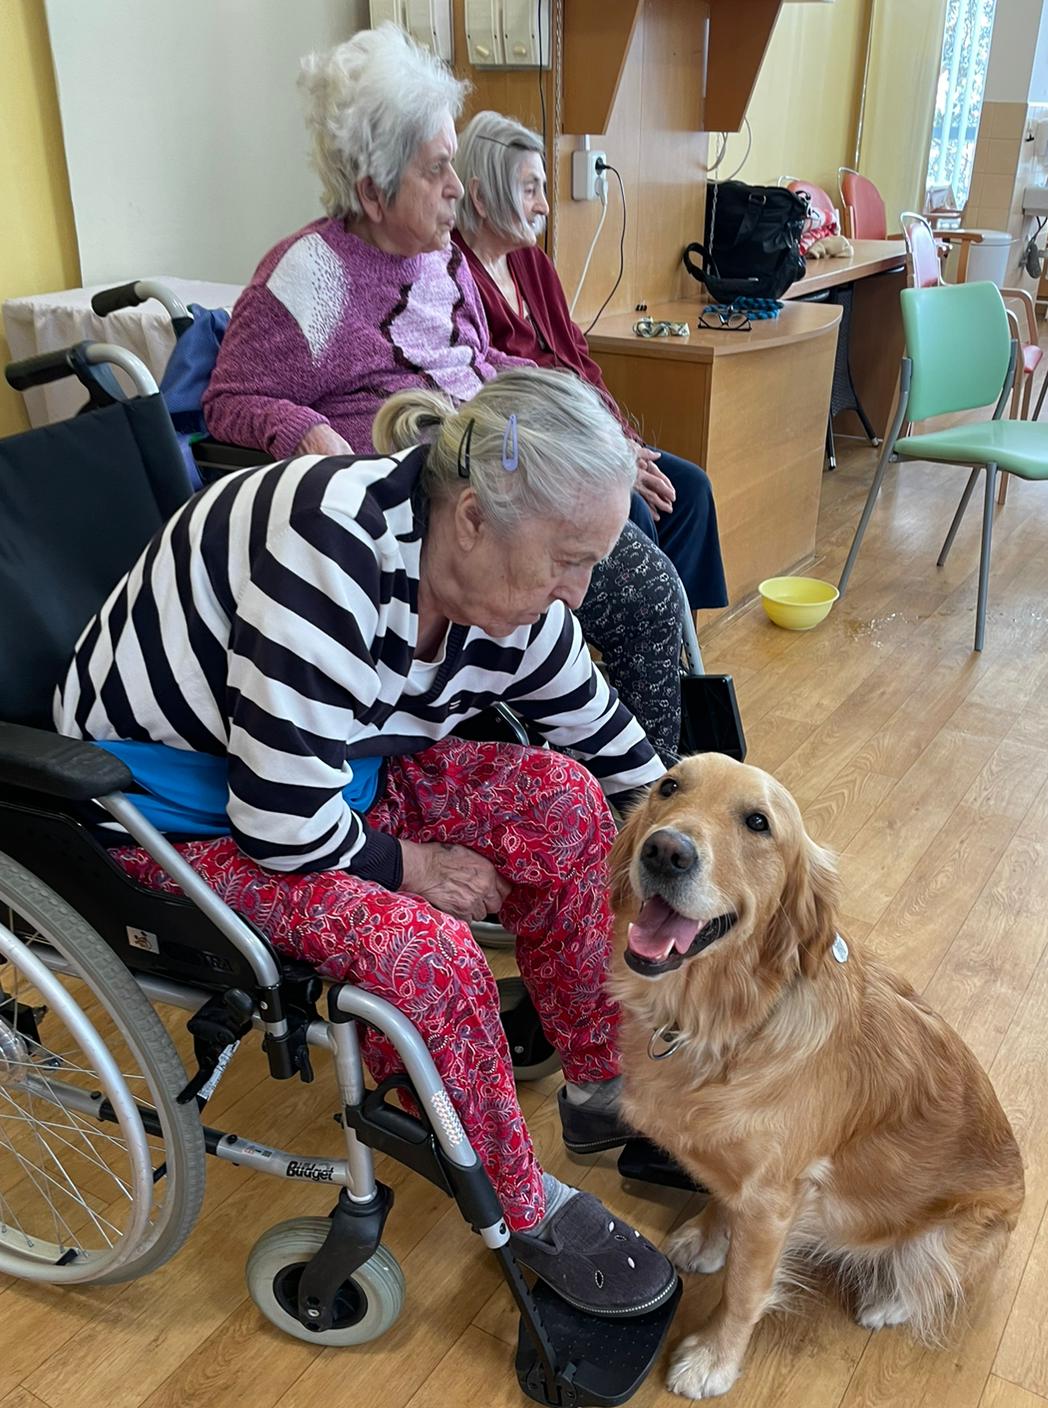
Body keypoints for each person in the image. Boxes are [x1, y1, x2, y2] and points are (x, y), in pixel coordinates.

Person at [55, 368, 675, 1319]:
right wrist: (412, 869)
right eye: (567, 560)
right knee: (427, 951)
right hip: (166, 811)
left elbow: (609, 742)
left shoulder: (511, 598)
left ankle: (601, 1086)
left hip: (329, 773)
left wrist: (710, 848)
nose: (577, 594)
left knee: (567, 808)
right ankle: (517, 1207)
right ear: (473, 518)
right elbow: (279, 824)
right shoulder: (330, 547)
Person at [203, 23, 686, 757]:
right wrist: (301, 430)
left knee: (660, 515)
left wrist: (590, 436)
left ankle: (645, 767)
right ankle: (640, 784)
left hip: (501, 469)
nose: (458, 187)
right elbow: (228, 400)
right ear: (373, 191)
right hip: (430, 518)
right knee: (643, 586)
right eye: (437, 171)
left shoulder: (443, 258)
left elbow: (480, 360)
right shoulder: (310, 276)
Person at [453, 110, 729, 612]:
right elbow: (503, 405)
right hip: (538, 458)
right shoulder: (456, 276)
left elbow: (579, 360)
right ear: (481, 197)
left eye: (543, 188)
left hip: (592, 439)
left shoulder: (532, 264)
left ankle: (678, 644)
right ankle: (630, 646)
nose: (544, 205)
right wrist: (611, 461)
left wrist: (624, 442)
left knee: (689, 491)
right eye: (530, 189)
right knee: (634, 513)